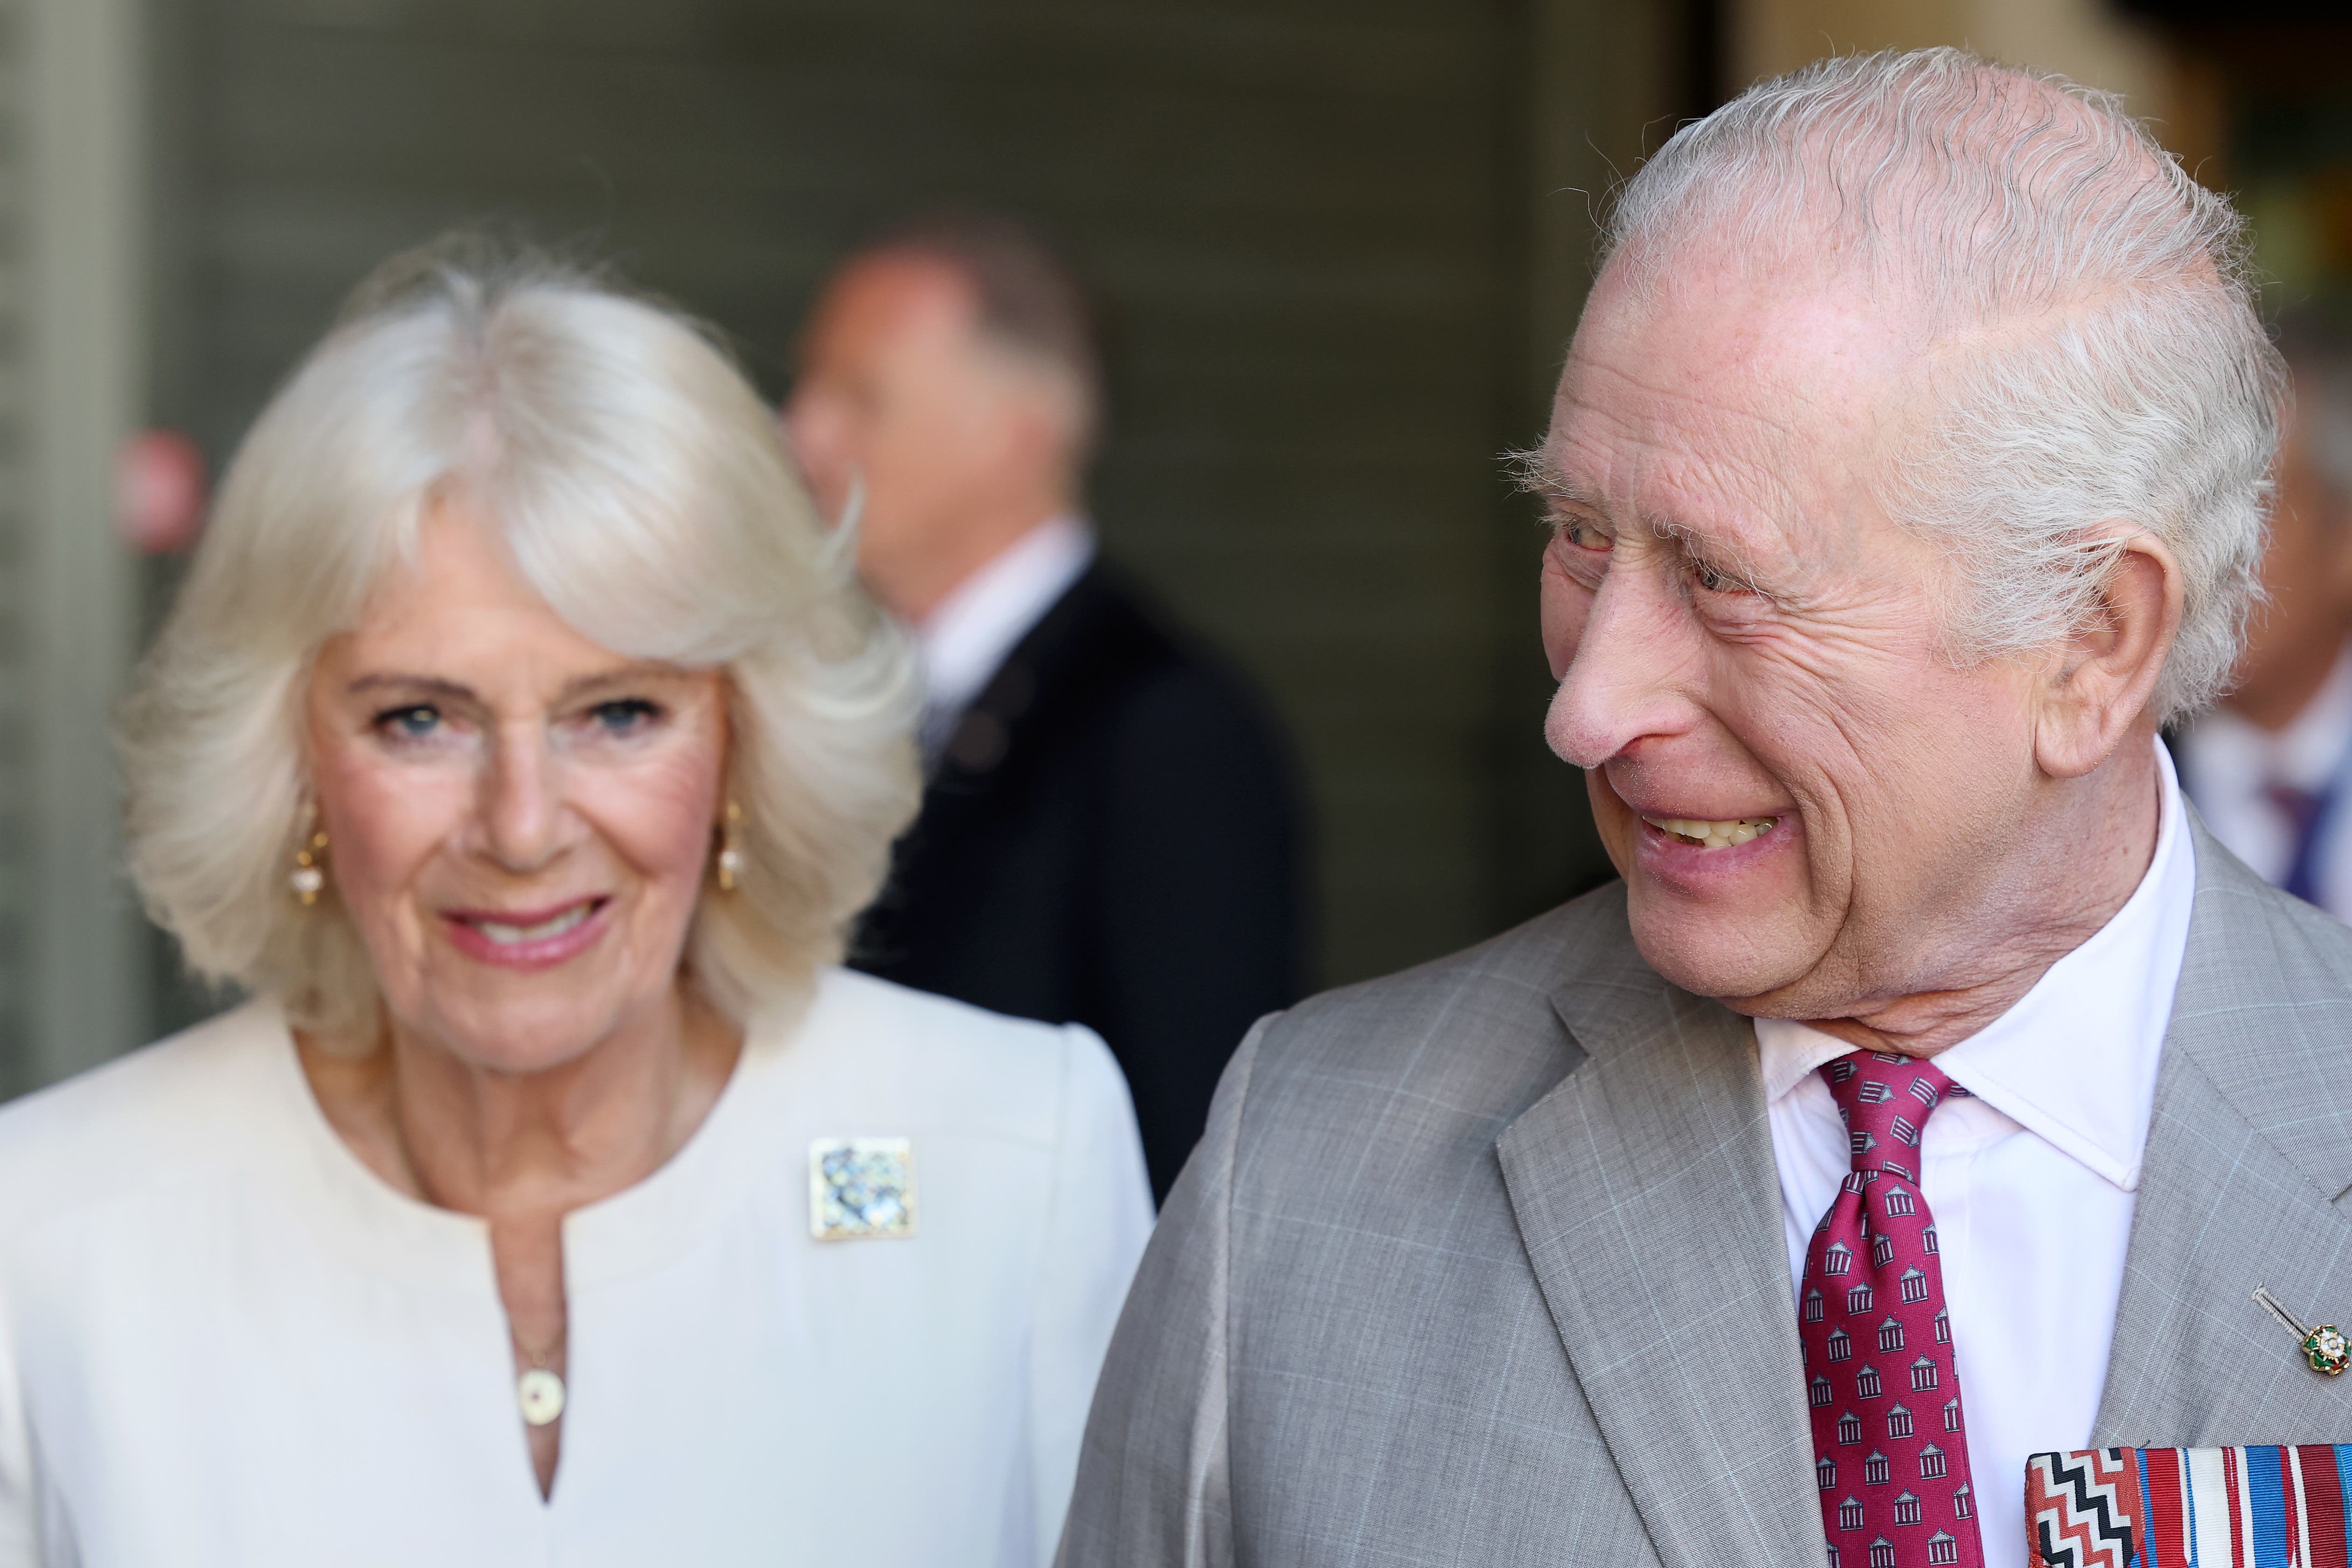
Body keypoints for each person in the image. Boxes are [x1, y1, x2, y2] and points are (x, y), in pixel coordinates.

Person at [1063, 49, 2346, 1568]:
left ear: (2092, 640)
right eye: (1580, 538)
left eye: (1725, 580)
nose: (1587, 708)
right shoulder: (1307, 1164)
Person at [0, 243, 1152, 1566]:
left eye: (618, 712)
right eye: (419, 718)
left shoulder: (1018, 1160)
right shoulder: (46, 1239)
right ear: (293, 766)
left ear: (745, 742)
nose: (524, 826)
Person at [784, 212, 1304, 1200]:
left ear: (1017, 435)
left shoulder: (1162, 729)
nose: (801, 431)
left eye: (861, 396)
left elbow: (1190, 1151)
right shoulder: (856, 697)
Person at [2174, 309, 2352, 918]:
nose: (2206, 550)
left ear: (2345, 536)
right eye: (2190, 506)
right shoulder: (2100, 787)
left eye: (2255, 506)